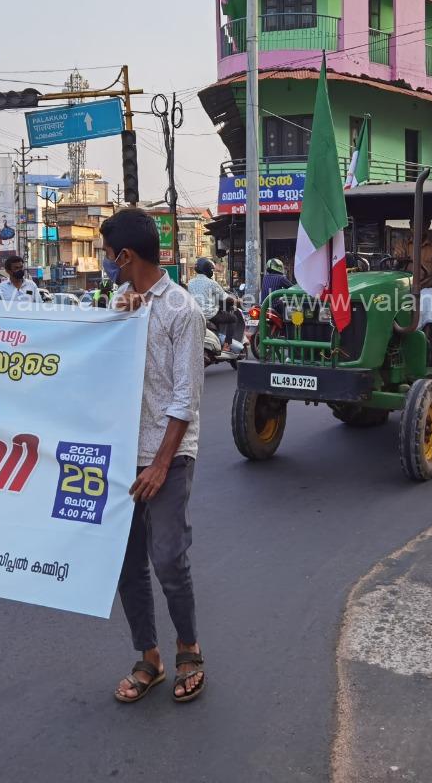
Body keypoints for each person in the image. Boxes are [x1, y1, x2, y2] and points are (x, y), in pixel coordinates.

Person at [100, 208, 207, 705]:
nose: (106, 264)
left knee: (167, 557)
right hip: (122, 453)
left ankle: (188, 648)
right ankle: (150, 657)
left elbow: (185, 399)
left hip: (168, 453)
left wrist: (161, 464)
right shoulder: (118, 302)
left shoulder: (182, 310)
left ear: (125, 256)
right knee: (127, 564)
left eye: (108, 256)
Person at [188, 257, 242, 350]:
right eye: (211, 270)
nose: (212, 272)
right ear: (208, 270)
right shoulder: (212, 283)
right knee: (233, 318)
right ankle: (227, 344)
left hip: (196, 315)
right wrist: (237, 301)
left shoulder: (190, 283)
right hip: (210, 315)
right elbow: (226, 298)